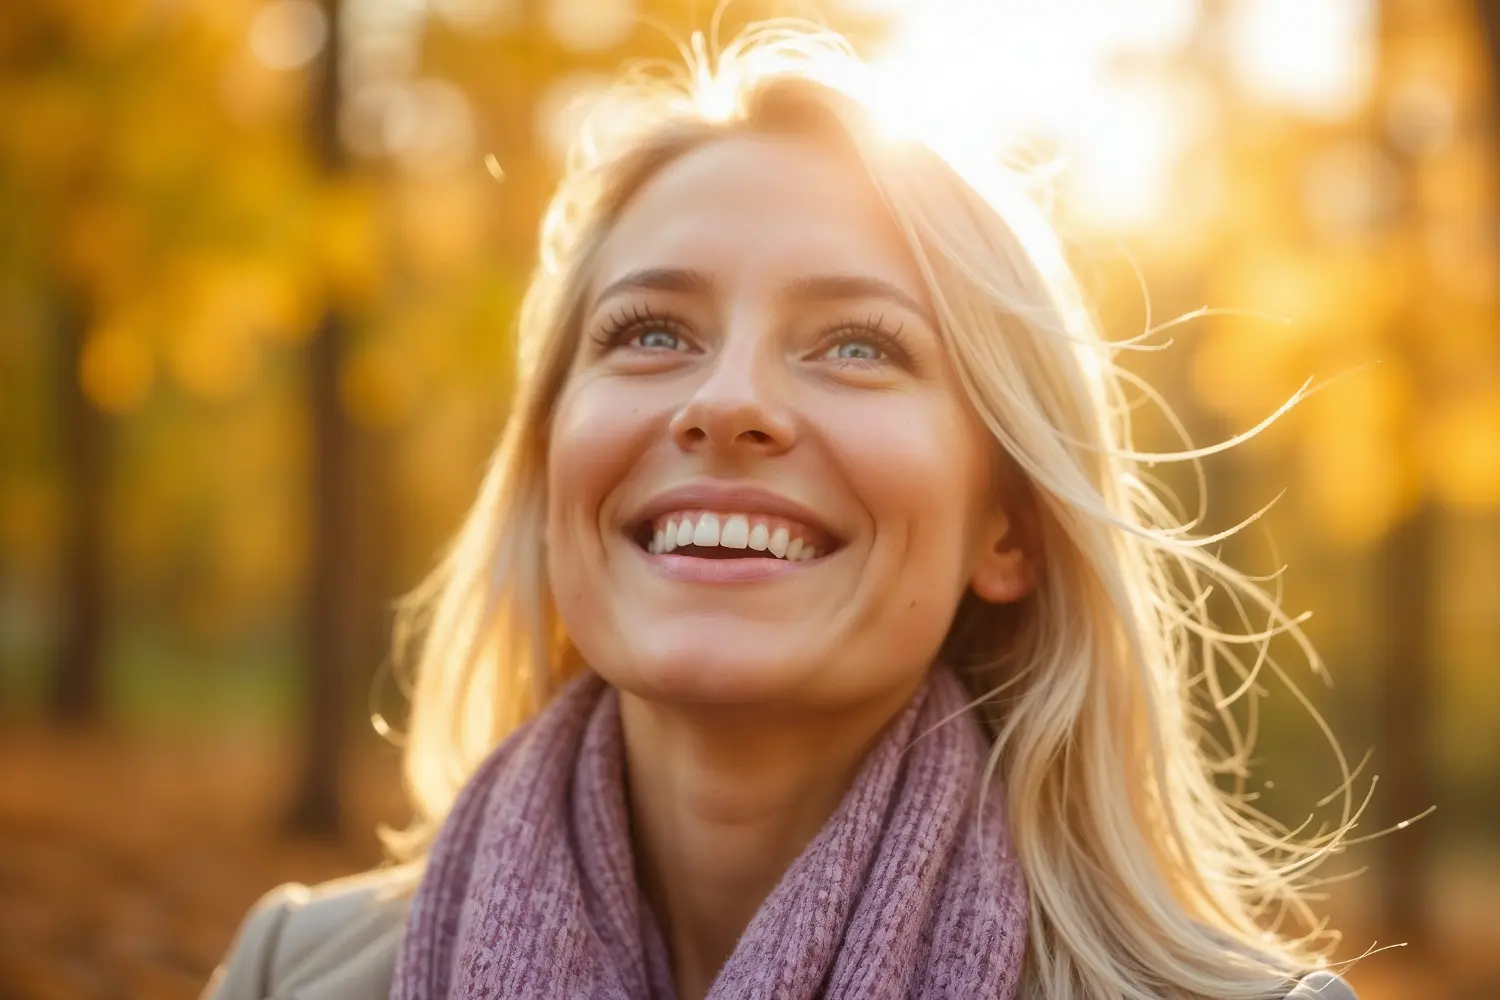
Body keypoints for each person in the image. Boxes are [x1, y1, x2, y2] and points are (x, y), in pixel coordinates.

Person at [202, 23, 1362, 1000]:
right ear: (552, 462)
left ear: (1006, 528)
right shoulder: (287, 970)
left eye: (857, 344)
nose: (727, 402)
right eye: (650, 332)